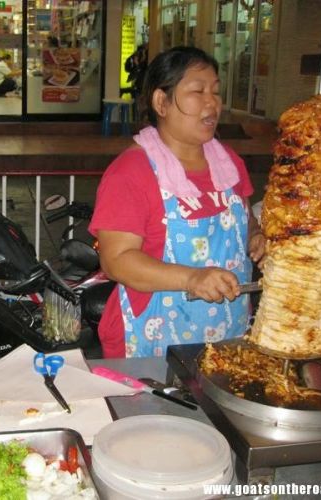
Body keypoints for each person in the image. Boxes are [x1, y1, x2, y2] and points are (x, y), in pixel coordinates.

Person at [89, 46, 265, 358]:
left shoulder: (229, 163)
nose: (212, 103)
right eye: (198, 91)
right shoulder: (132, 173)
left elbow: (245, 221)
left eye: (216, 92)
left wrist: (255, 237)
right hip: (152, 340)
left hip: (229, 332)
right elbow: (117, 261)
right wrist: (192, 278)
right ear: (161, 102)